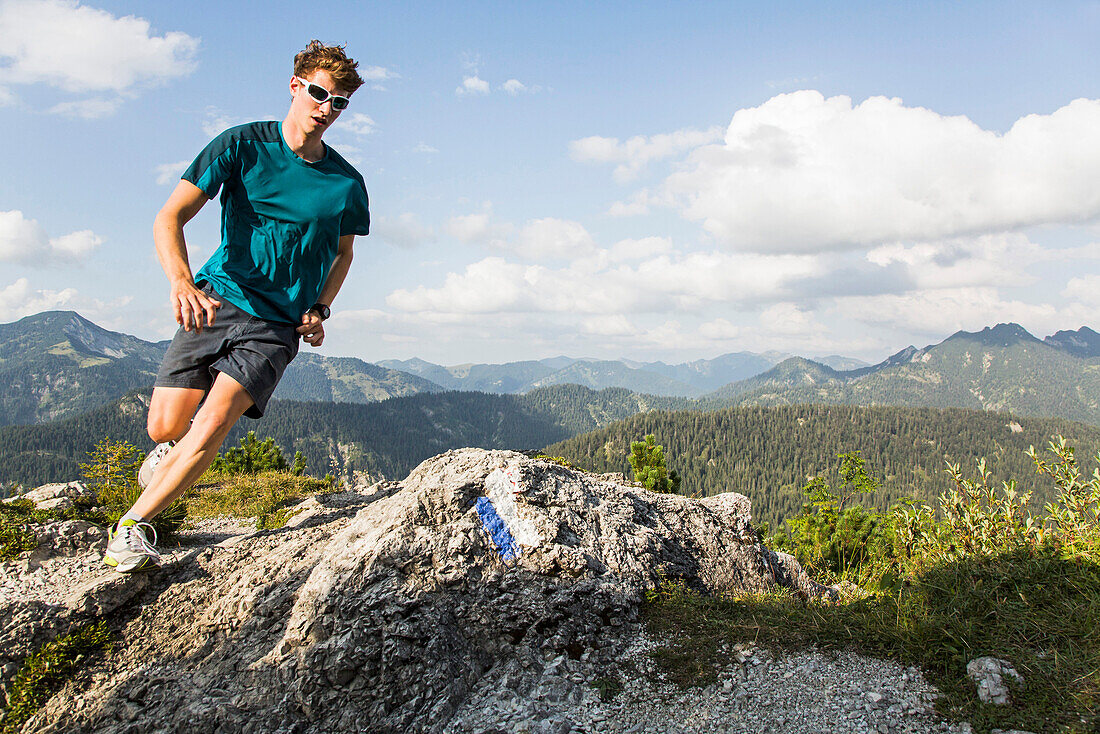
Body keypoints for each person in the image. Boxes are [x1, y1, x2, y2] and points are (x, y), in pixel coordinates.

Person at [104, 40, 370, 572]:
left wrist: (320, 306)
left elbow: (343, 251)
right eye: (320, 93)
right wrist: (181, 282)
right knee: (164, 426)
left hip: (277, 323)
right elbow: (169, 216)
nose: (327, 108)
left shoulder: (345, 183)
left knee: (217, 419)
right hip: (216, 299)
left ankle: (131, 529)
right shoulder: (241, 145)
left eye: (339, 102)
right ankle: (169, 454)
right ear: (296, 87)